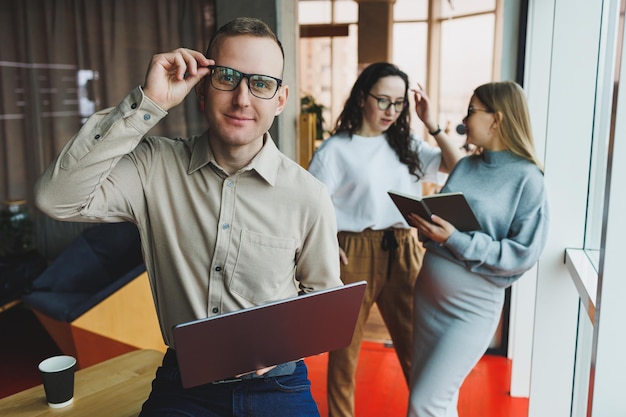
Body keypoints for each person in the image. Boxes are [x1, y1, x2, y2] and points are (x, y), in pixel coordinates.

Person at [34, 17, 342, 417]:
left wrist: (280, 345)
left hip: (277, 385)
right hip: (184, 386)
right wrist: (149, 102)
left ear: (280, 100)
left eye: (261, 83)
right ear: (202, 87)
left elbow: (323, 301)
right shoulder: (153, 167)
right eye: (227, 77)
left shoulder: (308, 195)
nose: (242, 99)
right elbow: (55, 199)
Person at [307, 62, 464, 417]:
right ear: (363, 97)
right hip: (353, 251)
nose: (391, 111)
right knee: (344, 355)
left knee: (416, 349)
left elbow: (458, 168)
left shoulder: (406, 144)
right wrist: (327, 242)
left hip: (404, 249)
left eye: (399, 103)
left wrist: (432, 124)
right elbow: (308, 206)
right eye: (383, 101)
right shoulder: (335, 150)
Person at [406, 81, 549, 417]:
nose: (465, 119)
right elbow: (446, 225)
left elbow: (523, 253)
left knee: (425, 403)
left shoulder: (529, 179)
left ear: (496, 120)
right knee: (439, 400)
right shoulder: (466, 166)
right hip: (429, 300)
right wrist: (429, 228)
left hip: (471, 308)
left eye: (472, 111)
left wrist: (453, 238)